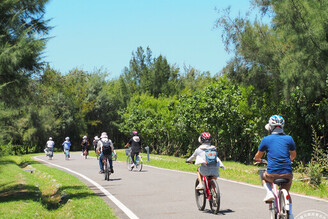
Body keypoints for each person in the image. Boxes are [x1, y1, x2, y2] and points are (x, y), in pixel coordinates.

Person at [253, 115, 296, 217]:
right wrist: (290, 159)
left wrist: (257, 159)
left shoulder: (266, 139)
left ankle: (269, 193)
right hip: (287, 174)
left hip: (272, 174)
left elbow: (258, 155)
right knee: (287, 192)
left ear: (271, 127)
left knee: (263, 175)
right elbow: (293, 154)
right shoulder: (289, 139)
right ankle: (290, 214)